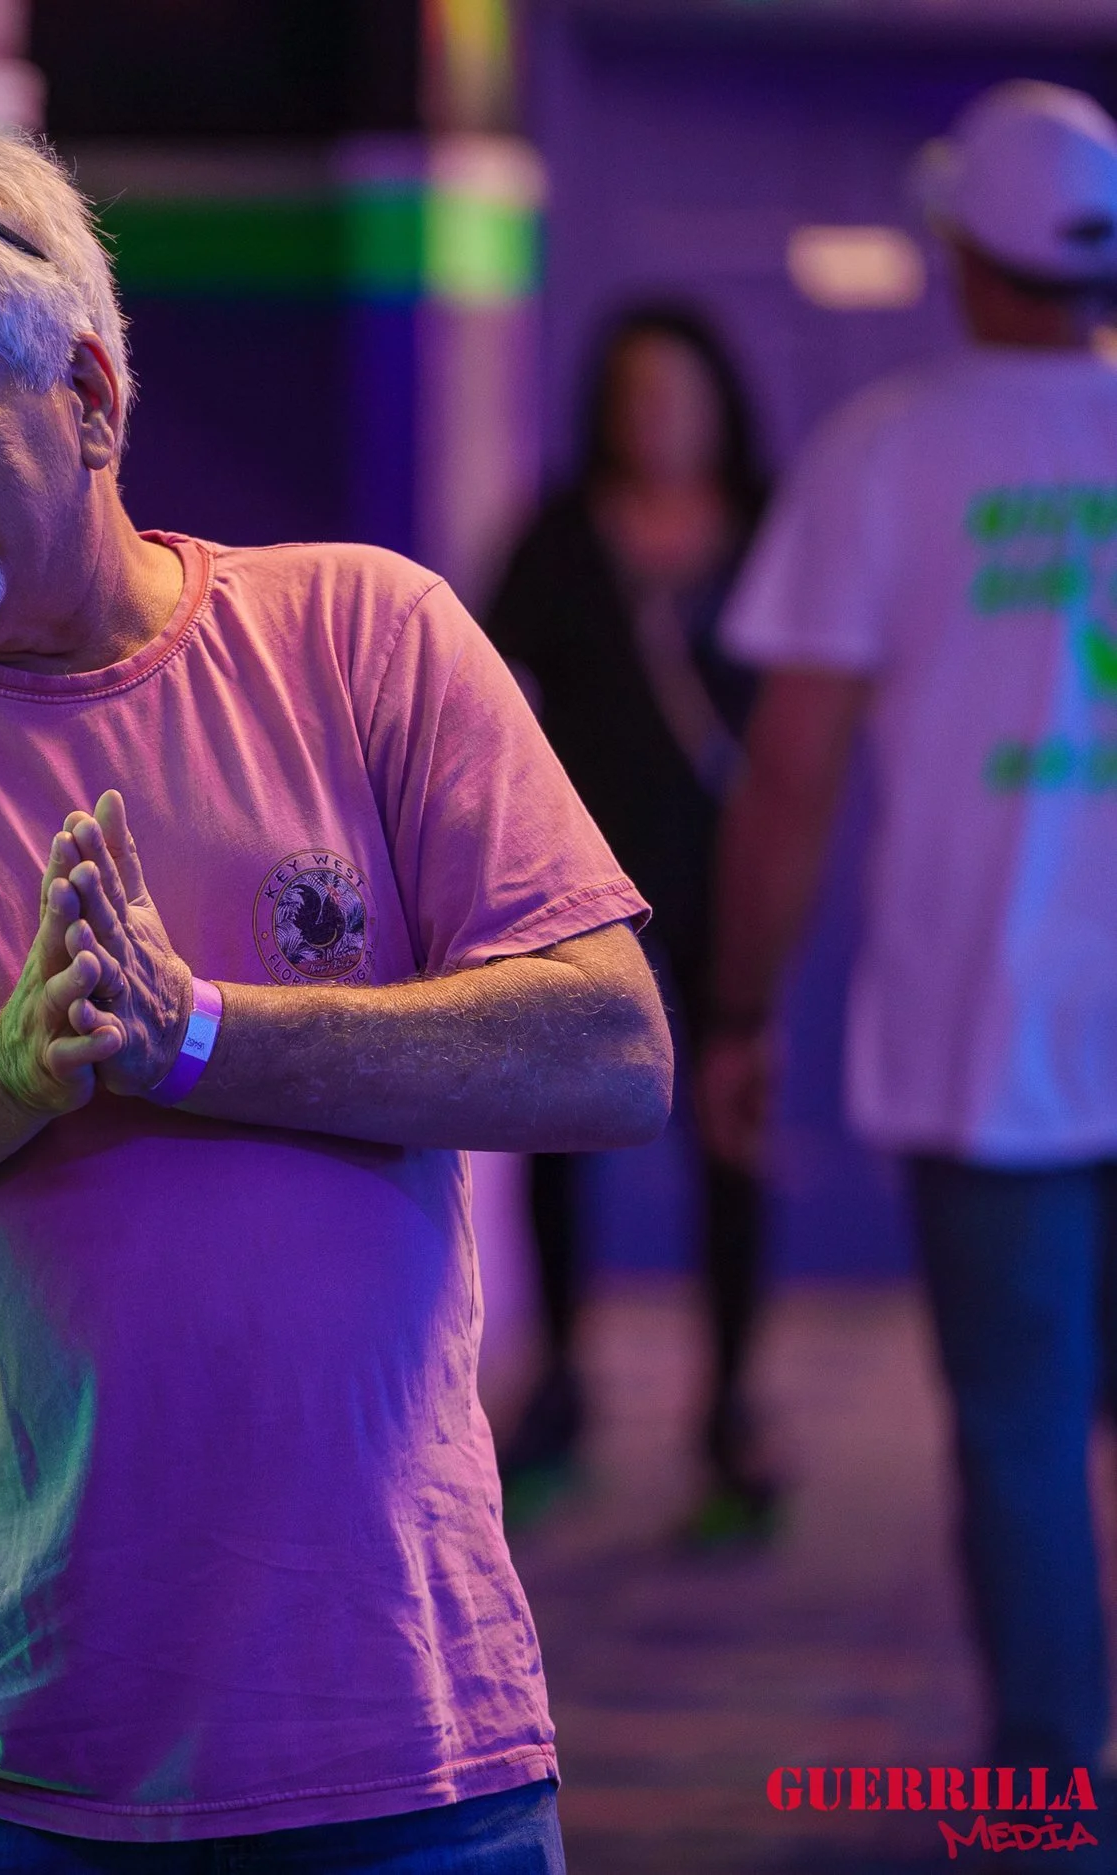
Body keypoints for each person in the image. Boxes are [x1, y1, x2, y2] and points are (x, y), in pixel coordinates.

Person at [0, 111, 674, 1871]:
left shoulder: (367, 641)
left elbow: (607, 1047)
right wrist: (13, 1076)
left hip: (397, 1745)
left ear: (93, 397)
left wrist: (196, 1037)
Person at [702, 80, 1117, 1774]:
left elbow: (789, 775)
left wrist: (733, 1013)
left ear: (959, 246)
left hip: (986, 1041)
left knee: (1020, 1439)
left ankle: (1053, 1800)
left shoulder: (891, 450)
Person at [483, 305, 773, 1538]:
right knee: (561, 1128)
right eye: (636, 391)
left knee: (730, 1128)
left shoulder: (769, 529)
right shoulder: (559, 535)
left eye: (679, 390)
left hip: (733, 879)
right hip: (583, 885)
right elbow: (483, 691)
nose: (658, 415)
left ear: (719, 403)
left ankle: (730, 1410)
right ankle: (563, 1382)